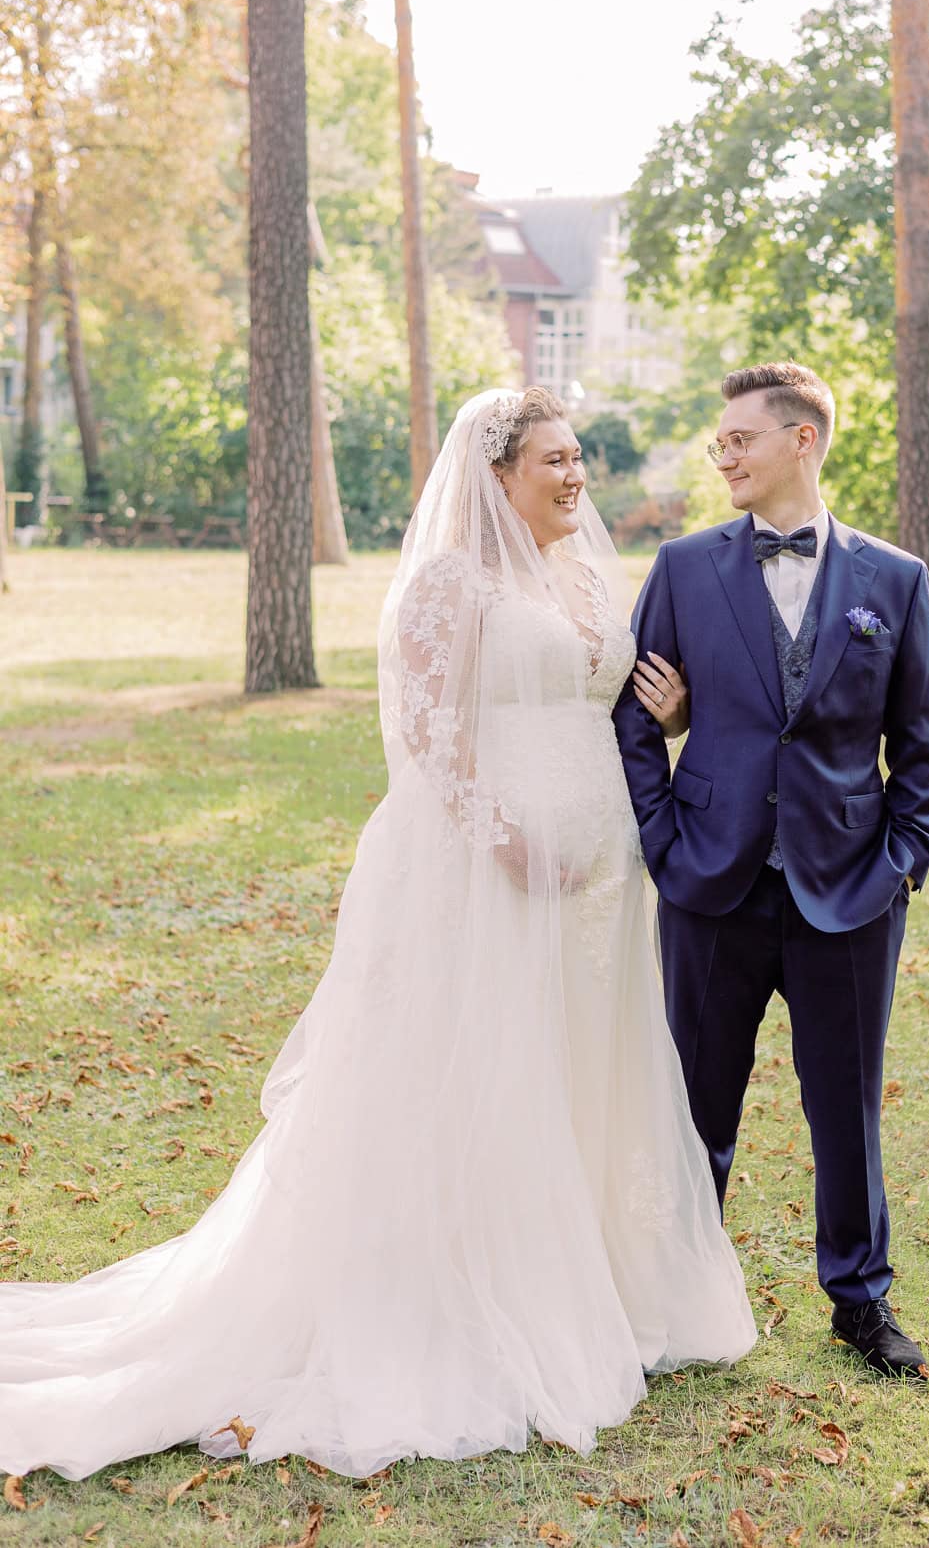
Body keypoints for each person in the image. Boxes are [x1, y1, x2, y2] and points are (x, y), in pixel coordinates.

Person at [0, 388, 755, 1483]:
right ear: (496, 475)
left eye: (578, 456)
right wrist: (503, 838)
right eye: (552, 459)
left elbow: (612, 700)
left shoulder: (591, 575)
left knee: (582, 1071)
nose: (573, 475)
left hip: (604, 884)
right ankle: (466, 1290)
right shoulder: (454, 583)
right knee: (493, 1074)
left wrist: (672, 716)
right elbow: (426, 730)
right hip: (488, 876)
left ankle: (596, 1279)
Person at [614, 361, 929, 1379]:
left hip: (848, 889)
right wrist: (665, 840)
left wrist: (900, 863)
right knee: (695, 1107)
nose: (723, 455)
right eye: (718, 442)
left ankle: (860, 1302)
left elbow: (919, 745)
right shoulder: (680, 567)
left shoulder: (895, 581)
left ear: (802, 440)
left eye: (739, 440)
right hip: (710, 883)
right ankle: (677, 1301)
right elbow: (634, 720)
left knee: (844, 1108)